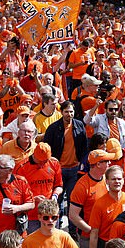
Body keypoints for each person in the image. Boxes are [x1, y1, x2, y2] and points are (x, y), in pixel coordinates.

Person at [69, 149, 114, 248]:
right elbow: (73, 215)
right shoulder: (82, 186)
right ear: (98, 164)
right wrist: (91, 230)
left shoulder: (107, 181)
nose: (110, 163)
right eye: (106, 161)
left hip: (106, 235)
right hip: (88, 237)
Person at [43, 100, 88, 240]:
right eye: (67, 111)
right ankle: (56, 228)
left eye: (71, 111)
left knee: (73, 202)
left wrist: (82, 164)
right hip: (58, 170)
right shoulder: (53, 128)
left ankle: (73, 231)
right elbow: (47, 149)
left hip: (75, 170)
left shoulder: (79, 125)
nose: (70, 114)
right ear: (61, 112)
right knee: (58, 201)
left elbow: (85, 146)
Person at [89, 165, 125, 248]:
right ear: (107, 181)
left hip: (124, 247)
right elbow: (94, 235)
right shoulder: (100, 204)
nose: (117, 181)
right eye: (113, 179)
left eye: (119, 179)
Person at [13, 142, 63, 232]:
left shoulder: (54, 163)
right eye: (40, 161)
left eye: (45, 161)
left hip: (50, 213)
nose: (43, 164)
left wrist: (55, 196)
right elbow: (15, 194)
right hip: (32, 215)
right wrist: (33, 199)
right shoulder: (21, 168)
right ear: (34, 155)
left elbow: (59, 185)